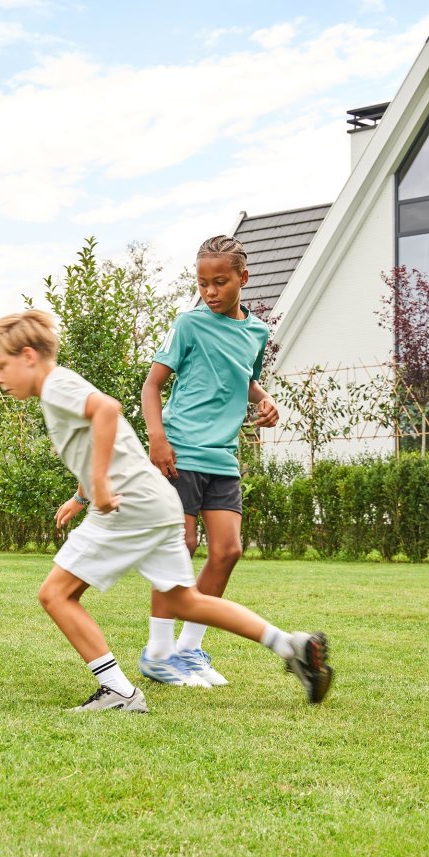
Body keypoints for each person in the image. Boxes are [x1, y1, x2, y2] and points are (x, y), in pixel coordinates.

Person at [0, 309, 331, 712]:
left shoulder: (56, 385)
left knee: (56, 594)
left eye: (1, 366)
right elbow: (94, 442)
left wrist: (104, 487)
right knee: (185, 601)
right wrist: (82, 495)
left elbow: (107, 410)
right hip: (158, 502)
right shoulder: (56, 389)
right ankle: (291, 645)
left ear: (28, 356)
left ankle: (119, 693)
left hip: (129, 505)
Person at [139, 235, 278, 689]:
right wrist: (156, 439)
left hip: (222, 457)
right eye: (203, 283)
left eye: (220, 282)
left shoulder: (257, 332)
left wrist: (265, 399)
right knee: (179, 548)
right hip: (179, 450)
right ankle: (158, 653)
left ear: (243, 277)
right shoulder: (189, 325)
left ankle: (189, 649)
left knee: (228, 551)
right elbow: (152, 385)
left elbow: (244, 377)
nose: (211, 292)